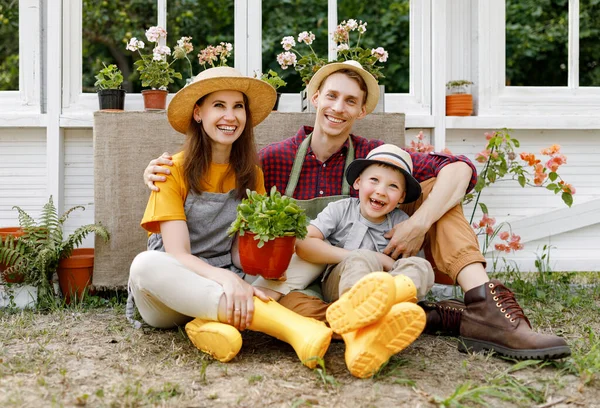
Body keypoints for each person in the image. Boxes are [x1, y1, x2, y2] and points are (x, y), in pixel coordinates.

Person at [143, 60, 571, 360]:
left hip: (364, 271)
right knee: (290, 293)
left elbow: (459, 169)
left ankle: (482, 301)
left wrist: (418, 223)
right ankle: (415, 316)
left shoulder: (376, 157)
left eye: (351, 100)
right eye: (331, 96)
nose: (338, 107)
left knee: (440, 193)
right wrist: (160, 171)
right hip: (311, 283)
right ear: (313, 98)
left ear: (362, 110)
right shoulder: (270, 160)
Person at [128, 66, 332, 368]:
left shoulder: (252, 176)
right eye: (219, 106)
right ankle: (292, 327)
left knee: (307, 252)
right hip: (171, 292)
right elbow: (177, 253)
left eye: (238, 106)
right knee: (143, 265)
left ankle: (213, 324)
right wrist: (226, 280)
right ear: (198, 113)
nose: (231, 116)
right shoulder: (171, 170)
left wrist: (266, 265)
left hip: (230, 283)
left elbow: (240, 250)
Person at [295, 143, 435, 378]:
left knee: (423, 266)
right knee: (362, 258)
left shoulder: (401, 223)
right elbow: (304, 243)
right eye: (374, 180)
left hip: (389, 287)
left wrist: (388, 265)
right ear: (357, 183)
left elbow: (406, 264)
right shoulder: (341, 209)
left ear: (401, 197)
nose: (381, 191)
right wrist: (368, 257)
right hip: (341, 286)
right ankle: (357, 312)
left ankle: (381, 318)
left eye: (392, 186)